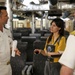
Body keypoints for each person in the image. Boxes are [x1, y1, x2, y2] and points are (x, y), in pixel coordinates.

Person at [0, 6, 21, 75]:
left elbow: (9, 44)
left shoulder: (7, 31)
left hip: (8, 66)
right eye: (6, 16)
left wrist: (13, 49)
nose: (8, 18)